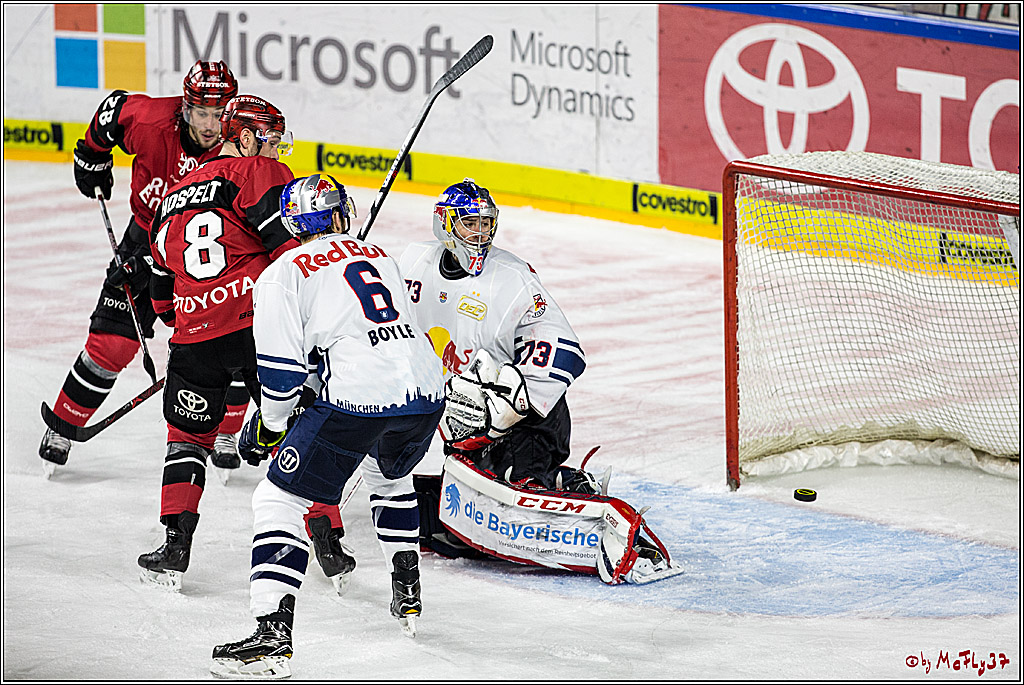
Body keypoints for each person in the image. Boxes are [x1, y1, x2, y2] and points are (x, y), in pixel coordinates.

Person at [210, 174, 444, 679]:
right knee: (389, 474)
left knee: (277, 500)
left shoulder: (281, 272)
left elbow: (281, 376)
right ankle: (407, 587)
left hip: (359, 397)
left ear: (294, 224)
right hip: (426, 393)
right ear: (340, 215)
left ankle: (272, 635)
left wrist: (268, 430)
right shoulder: (378, 254)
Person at [400, 179, 680, 585]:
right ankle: (565, 481)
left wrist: (506, 404)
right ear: (444, 225)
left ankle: (549, 482)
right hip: (454, 421)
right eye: (468, 225)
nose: (479, 234)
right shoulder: (412, 263)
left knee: (501, 503)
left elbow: (563, 350)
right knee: (439, 534)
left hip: (524, 421)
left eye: (485, 224)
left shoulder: (512, 277)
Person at [136, 97, 351, 593]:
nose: (276, 151)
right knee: (301, 426)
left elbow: (161, 291)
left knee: (187, 439)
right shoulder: (258, 172)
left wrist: (190, 321)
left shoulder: (170, 196)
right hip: (260, 326)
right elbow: (291, 254)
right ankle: (329, 542)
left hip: (194, 338)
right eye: (271, 140)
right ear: (248, 138)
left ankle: (175, 545)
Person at [39, 60, 251, 474]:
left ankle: (226, 429)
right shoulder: (152, 120)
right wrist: (92, 155)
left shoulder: (240, 143)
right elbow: (112, 111)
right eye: (201, 112)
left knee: (231, 340)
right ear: (185, 108)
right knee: (112, 342)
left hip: (214, 253)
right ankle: (63, 424)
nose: (210, 125)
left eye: (218, 113)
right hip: (144, 238)